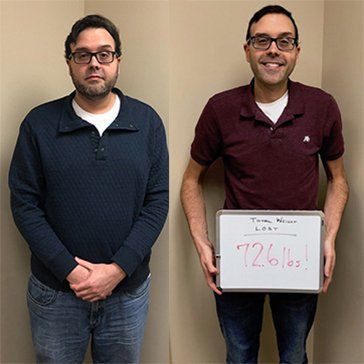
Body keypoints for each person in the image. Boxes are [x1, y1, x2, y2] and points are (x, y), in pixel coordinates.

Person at [180, 5, 349, 364]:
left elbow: (338, 181)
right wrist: (202, 244)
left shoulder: (321, 107)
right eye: (263, 40)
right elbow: (191, 180)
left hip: (300, 261)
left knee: (294, 355)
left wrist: (328, 238)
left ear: (296, 52)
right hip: (238, 263)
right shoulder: (220, 109)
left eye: (284, 41)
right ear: (248, 50)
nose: (273, 49)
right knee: (240, 355)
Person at [9, 14, 168, 364]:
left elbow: (156, 203)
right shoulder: (39, 124)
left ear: (118, 61)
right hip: (56, 295)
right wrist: (72, 270)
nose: (94, 63)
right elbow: (25, 205)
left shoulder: (147, 123)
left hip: (127, 294)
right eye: (82, 55)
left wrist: (117, 270)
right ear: (69, 62)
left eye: (104, 54)